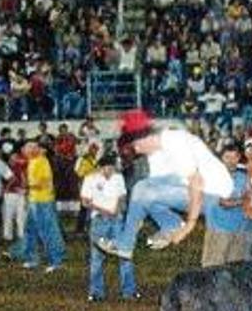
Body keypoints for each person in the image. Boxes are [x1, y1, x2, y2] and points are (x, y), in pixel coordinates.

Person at [96, 109, 233, 260]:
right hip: (193, 190)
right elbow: (145, 198)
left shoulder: (175, 141)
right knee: (142, 188)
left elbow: (197, 183)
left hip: (215, 196)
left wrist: (189, 225)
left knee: (145, 192)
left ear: (143, 138)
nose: (136, 150)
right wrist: (136, 216)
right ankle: (161, 229)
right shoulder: (155, 154)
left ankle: (127, 243)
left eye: (134, 145)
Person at [80, 151, 137, 301]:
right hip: (99, 220)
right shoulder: (90, 179)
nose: (110, 171)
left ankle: (129, 292)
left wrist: (117, 210)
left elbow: (122, 196)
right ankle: (96, 292)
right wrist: (103, 210)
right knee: (97, 257)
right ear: (101, 167)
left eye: (112, 168)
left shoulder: (118, 178)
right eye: (108, 168)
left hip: (117, 219)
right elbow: (85, 201)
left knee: (124, 255)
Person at [202, 141, 252, 267]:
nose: (231, 161)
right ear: (221, 159)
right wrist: (244, 200)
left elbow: (251, 194)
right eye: (227, 157)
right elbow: (224, 203)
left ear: (239, 158)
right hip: (219, 231)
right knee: (213, 269)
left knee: (235, 271)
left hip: (239, 230)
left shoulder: (243, 177)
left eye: (234, 157)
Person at [22, 142, 66, 272]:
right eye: (26, 148)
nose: (26, 150)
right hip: (34, 201)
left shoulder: (42, 161)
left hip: (43, 202)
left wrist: (26, 186)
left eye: (30, 148)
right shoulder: (32, 161)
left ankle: (56, 261)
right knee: (30, 230)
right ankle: (32, 259)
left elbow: (43, 183)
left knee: (47, 231)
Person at [2, 150, 28, 260]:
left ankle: (21, 234)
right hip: (9, 195)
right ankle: (8, 236)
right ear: (9, 158)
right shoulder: (5, 168)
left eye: (16, 156)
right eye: (14, 157)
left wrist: (23, 189)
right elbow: (4, 182)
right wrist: (7, 190)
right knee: (8, 216)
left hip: (19, 195)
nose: (16, 158)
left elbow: (24, 180)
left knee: (21, 216)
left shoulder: (20, 168)